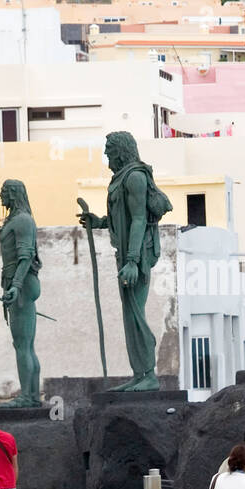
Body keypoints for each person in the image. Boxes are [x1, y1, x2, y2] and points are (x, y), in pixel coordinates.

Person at [78, 131, 172, 391]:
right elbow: (124, 218)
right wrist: (98, 222)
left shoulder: (135, 177)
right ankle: (139, 374)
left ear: (121, 150)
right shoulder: (121, 179)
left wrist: (131, 261)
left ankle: (149, 374)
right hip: (125, 255)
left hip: (137, 256)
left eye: (109, 150)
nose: (106, 155)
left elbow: (140, 219)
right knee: (129, 315)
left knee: (135, 313)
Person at [0, 180, 43, 406]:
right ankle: (32, 395)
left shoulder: (22, 220)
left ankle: (27, 396)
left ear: (14, 194)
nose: (0, 196)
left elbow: (25, 256)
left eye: (4, 192)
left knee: (22, 344)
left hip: (22, 284)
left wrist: (15, 285)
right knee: (26, 344)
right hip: (18, 283)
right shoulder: (17, 220)